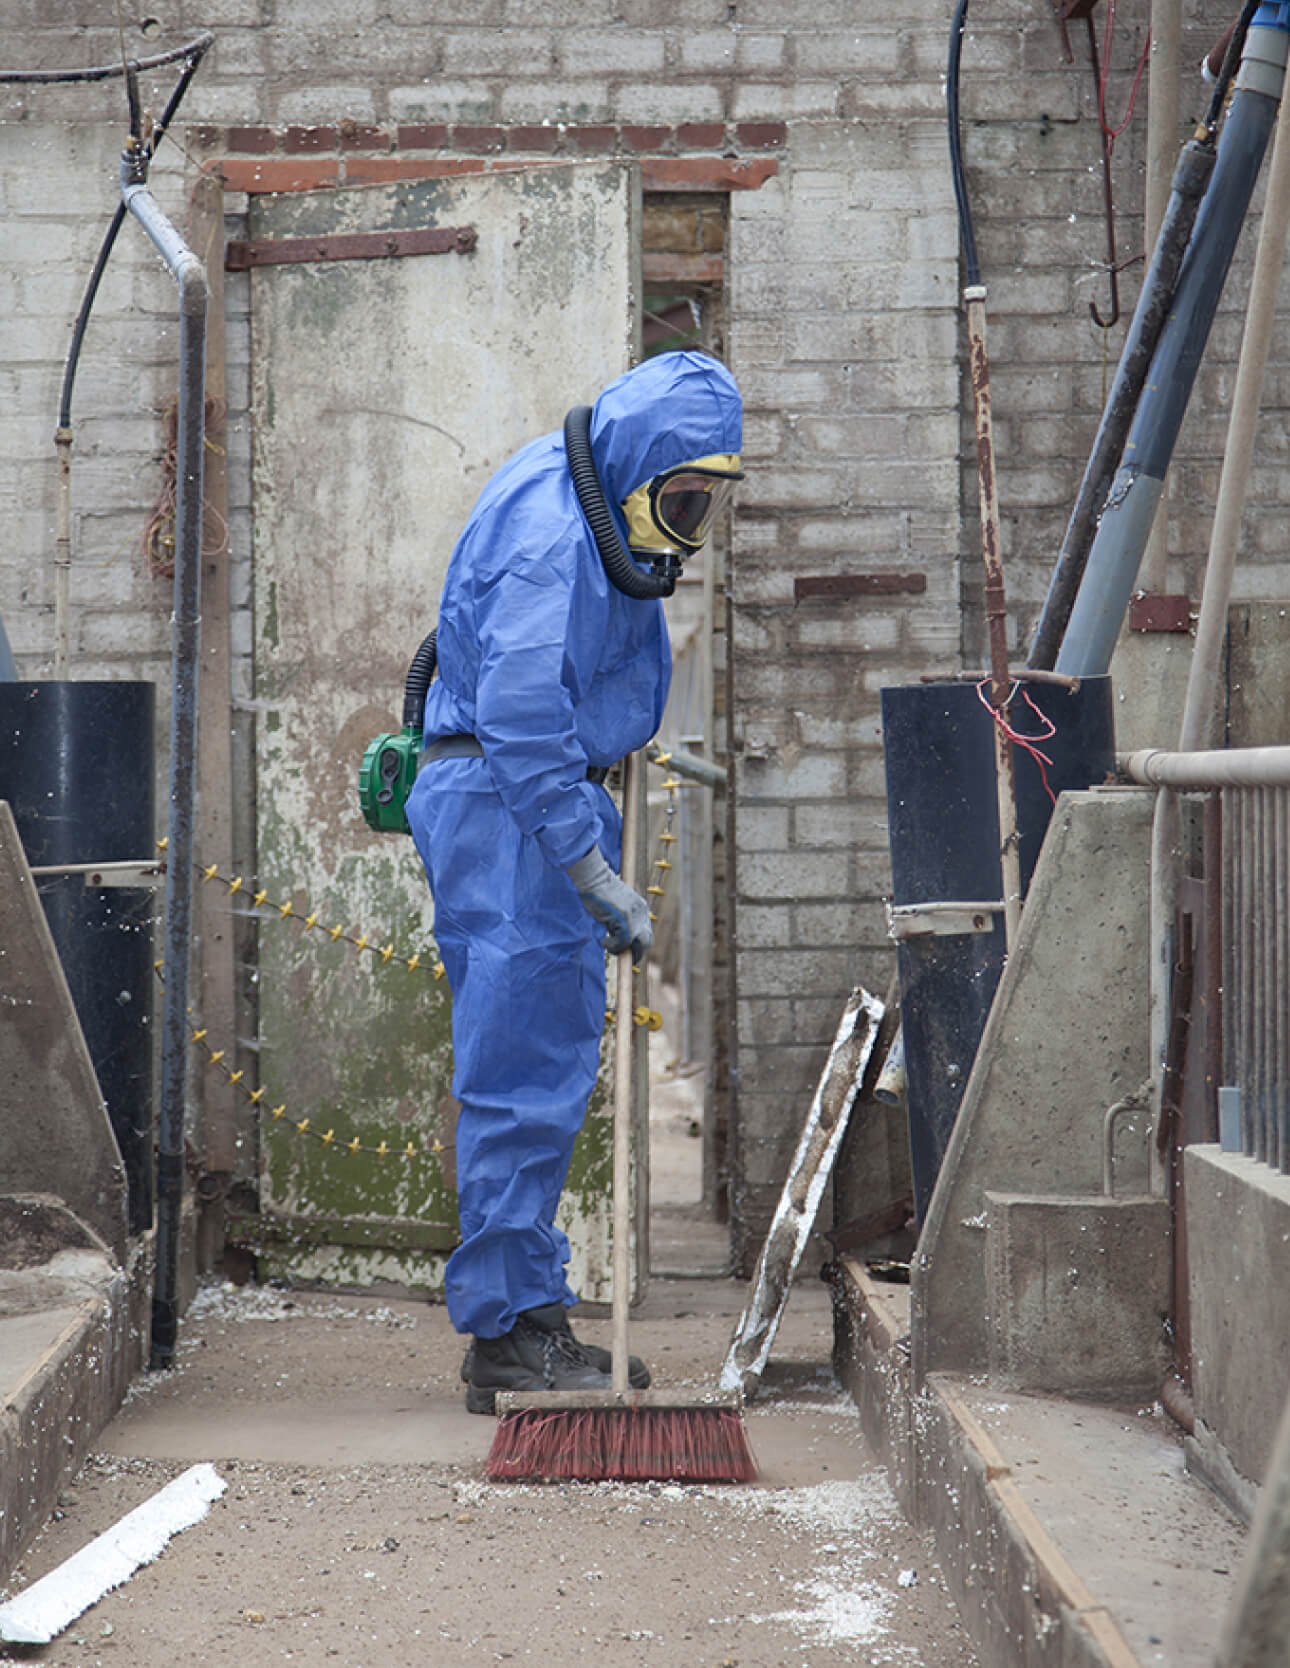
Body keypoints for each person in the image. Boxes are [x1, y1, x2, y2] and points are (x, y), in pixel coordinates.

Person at [404, 349, 743, 1414]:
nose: (688, 526)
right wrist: (588, 861)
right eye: (680, 499)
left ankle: (529, 1314)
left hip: (519, 801)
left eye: (705, 504)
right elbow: (515, 712)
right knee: (520, 1077)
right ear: (636, 466)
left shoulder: (576, 501)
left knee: (535, 1072)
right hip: (515, 808)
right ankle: (509, 1334)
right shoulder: (556, 535)